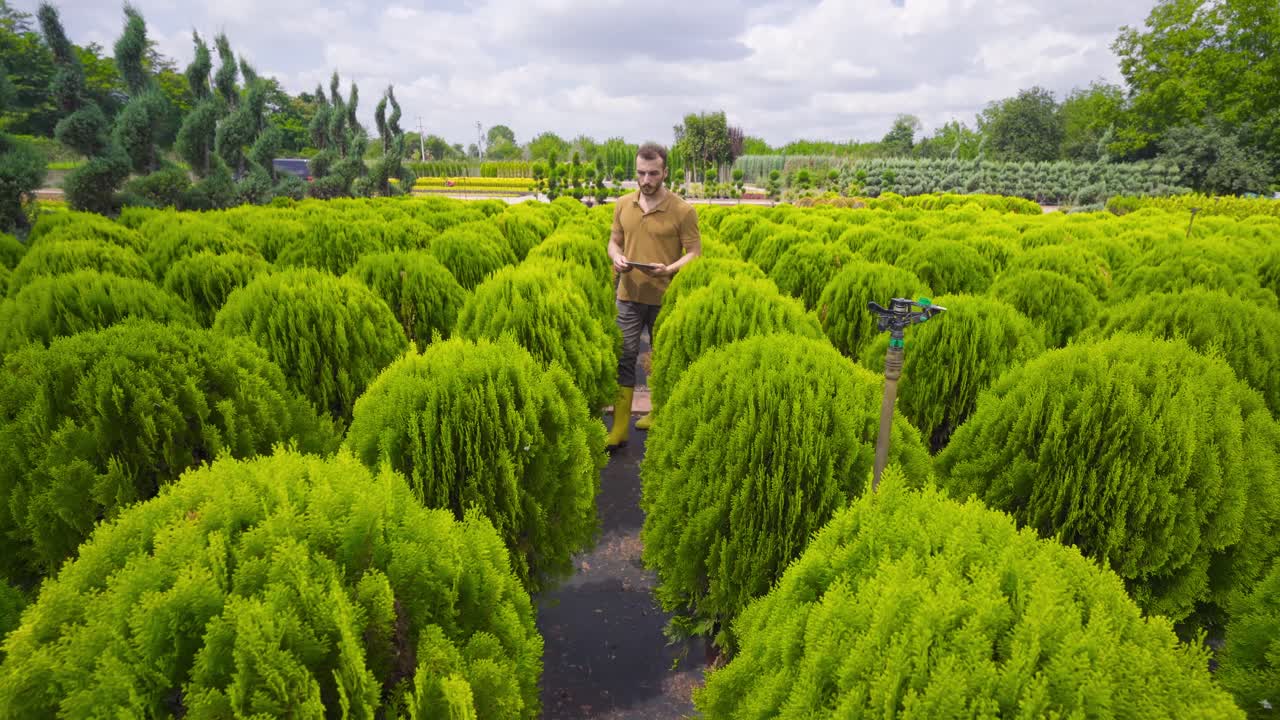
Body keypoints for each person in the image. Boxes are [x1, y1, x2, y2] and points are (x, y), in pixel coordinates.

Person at [604, 142, 701, 451]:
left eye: (653, 174)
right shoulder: (623, 204)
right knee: (625, 356)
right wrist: (616, 256)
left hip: (664, 297)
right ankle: (619, 428)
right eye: (641, 173)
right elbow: (614, 241)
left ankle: (658, 413)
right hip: (628, 295)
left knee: (661, 359)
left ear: (665, 173)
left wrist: (669, 269)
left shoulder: (683, 210)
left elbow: (695, 253)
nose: (646, 180)